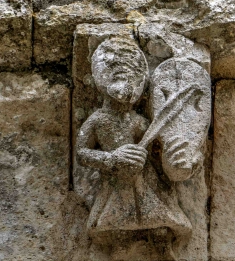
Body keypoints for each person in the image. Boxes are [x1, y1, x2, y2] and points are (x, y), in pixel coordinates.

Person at [76, 36, 192, 244]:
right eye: (117, 73)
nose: (127, 87)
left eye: (133, 76)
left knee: (154, 212)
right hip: (116, 179)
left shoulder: (138, 122)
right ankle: (121, 241)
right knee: (113, 216)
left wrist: (171, 157)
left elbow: (157, 148)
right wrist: (111, 159)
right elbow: (82, 153)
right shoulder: (98, 120)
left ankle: (157, 238)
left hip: (144, 178)